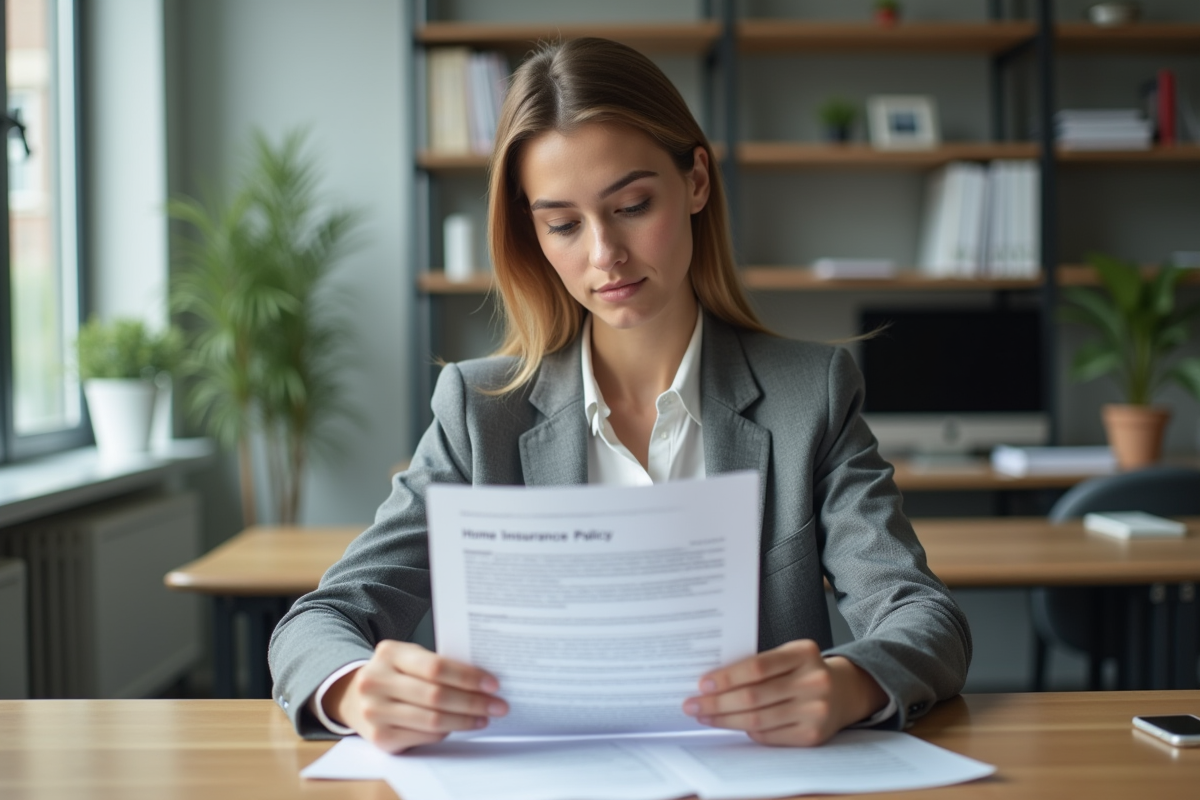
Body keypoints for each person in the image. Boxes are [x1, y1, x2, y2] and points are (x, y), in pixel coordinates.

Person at [269, 37, 970, 754]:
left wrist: (850, 681)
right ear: (533, 234)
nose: (604, 253)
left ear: (696, 181)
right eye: (563, 224)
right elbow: (319, 622)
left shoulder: (809, 395)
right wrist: (355, 688)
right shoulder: (479, 412)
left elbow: (924, 617)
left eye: (632, 204)